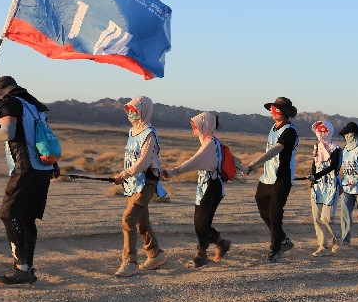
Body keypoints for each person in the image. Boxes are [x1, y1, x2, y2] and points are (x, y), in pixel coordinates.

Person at [0, 76, 58, 286]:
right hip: (43, 168)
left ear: (3, 90)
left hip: (25, 168)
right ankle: (27, 269)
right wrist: (53, 165)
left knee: (9, 215)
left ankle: (21, 269)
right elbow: (42, 136)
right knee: (26, 218)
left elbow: (7, 133)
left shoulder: (10, 103)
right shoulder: (34, 106)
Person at [161, 112, 233, 268]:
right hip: (207, 186)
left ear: (205, 125)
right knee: (201, 221)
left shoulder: (210, 143)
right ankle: (221, 243)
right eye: (193, 126)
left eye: (196, 125)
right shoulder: (210, 141)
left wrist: (174, 172)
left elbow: (194, 161)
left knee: (201, 222)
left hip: (211, 187)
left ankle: (202, 254)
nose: (194, 128)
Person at [111, 96, 168, 277]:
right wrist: (126, 176)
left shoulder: (149, 134)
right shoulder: (132, 131)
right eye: (129, 110)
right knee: (141, 221)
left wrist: (124, 174)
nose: (130, 114)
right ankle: (156, 254)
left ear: (144, 111)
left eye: (134, 111)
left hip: (146, 183)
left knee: (128, 220)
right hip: (133, 183)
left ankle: (130, 262)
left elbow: (143, 162)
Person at [240, 97, 299, 263]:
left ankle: (276, 248)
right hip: (267, 177)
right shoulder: (273, 128)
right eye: (272, 109)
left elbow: (275, 150)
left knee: (275, 215)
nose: (273, 112)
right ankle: (283, 240)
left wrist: (253, 164)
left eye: (276, 110)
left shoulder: (290, 131)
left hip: (282, 179)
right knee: (262, 207)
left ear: (284, 113)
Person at [308, 120, 342, 257]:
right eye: (319, 131)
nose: (322, 134)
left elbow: (334, 166)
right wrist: (313, 177)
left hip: (331, 185)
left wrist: (317, 175)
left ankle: (337, 237)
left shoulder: (336, 149)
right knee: (317, 218)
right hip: (317, 186)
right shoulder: (316, 147)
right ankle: (323, 245)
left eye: (324, 131)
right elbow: (314, 164)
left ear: (330, 131)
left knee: (326, 217)